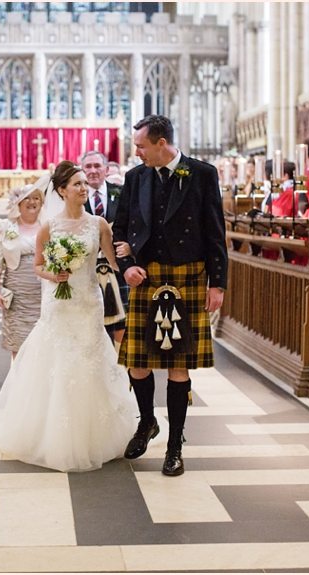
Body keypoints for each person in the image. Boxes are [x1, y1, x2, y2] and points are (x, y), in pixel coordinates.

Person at [0, 161, 137, 472]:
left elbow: (114, 263)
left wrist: (131, 258)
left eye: (84, 184)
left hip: (89, 303)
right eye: (76, 184)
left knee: (90, 359)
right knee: (59, 362)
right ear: (61, 191)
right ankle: (55, 435)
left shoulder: (99, 224)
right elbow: (37, 266)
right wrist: (53, 273)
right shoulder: (50, 227)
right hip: (59, 305)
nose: (83, 188)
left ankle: (96, 432)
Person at [112, 114, 228, 477]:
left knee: (179, 367)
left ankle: (175, 444)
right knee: (137, 362)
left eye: (142, 146)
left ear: (162, 143)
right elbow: (120, 229)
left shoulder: (202, 174)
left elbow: (215, 231)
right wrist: (127, 264)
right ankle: (147, 421)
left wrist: (218, 283)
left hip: (188, 276)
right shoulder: (135, 177)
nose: (137, 153)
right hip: (146, 279)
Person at [0, 180, 45, 357]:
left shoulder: (49, 227)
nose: (32, 202)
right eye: (27, 198)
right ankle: (19, 382)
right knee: (19, 344)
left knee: (42, 343)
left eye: (36, 198)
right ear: (18, 203)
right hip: (17, 295)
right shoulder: (5, 227)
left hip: (43, 292)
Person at [81, 150, 129, 345]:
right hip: (86, 271)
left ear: (106, 169)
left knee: (121, 324)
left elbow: (133, 226)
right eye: (88, 167)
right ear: (82, 170)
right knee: (91, 324)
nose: (93, 171)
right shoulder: (75, 196)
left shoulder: (122, 193)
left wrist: (130, 247)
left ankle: (121, 369)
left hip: (118, 267)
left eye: (97, 166)